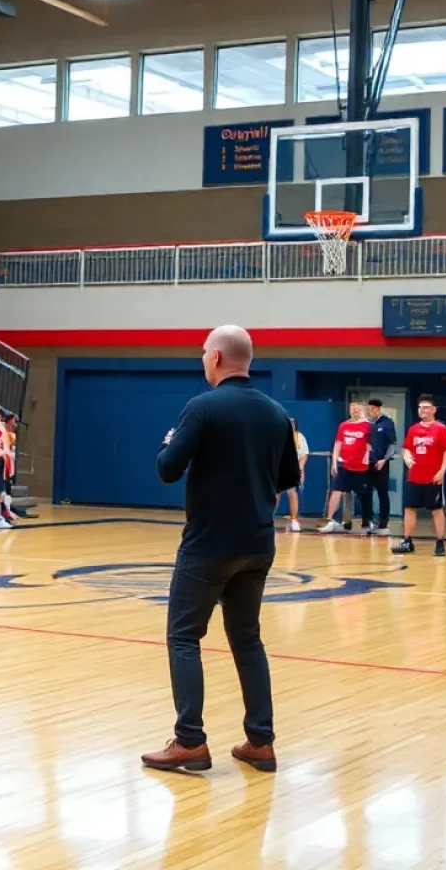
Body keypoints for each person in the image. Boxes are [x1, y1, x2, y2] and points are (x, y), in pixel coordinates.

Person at [142, 325, 299, 774]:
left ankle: (190, 741)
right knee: (247, 638)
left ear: (214, 358)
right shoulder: (275, 413)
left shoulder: (202, 408)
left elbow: (167, 470)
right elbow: (287, 479)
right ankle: (261, 742)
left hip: (209, 544)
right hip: (257, 543)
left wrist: (170, 441)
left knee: (184, 637)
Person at [391, 395, 446, 558]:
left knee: (436, 509)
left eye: (426, 407)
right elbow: (405, 447)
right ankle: (407, 540)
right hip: (414, 476)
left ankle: (440, 541)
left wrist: (442, 471)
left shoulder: (441, 428)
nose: (422, 410)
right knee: (410, 508)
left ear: (433, 410)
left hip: (433, 477)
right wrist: (405, 455)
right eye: (420, 408)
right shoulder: (413, 429)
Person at [321, 402, 373, 534]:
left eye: (358, 409)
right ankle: (329, 520)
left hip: (361, 468)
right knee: (336, 491)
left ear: (363, 410)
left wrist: (369, 456)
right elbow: (338, 444)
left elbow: (372, 445)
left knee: (363, 495)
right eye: (353, 408)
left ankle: (367, 521)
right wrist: (334, 463)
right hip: (344, 466)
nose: (355, 411)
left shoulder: (368, 426)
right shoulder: (343, 425)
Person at [366, 398, 396, 536]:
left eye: (372, 409)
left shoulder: (387, 423)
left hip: (381, 464)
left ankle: (384, 522)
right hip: (368, 463)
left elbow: (392, 444)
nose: (370, 411)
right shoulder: (369, 424)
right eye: (369, 409)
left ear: (378, 409)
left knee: (382, 493)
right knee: (366, 492)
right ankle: (369, 521)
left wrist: (384, 459)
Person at [283, 417, 308, 533]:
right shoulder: (278, 435)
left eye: (292, 422)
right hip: (279, 468)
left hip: (293, 469)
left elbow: (304, 454)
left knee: (292, 493)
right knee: (275, 494)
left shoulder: (299, 437)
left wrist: (300, 468)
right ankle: (268, 518)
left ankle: (294, 520)